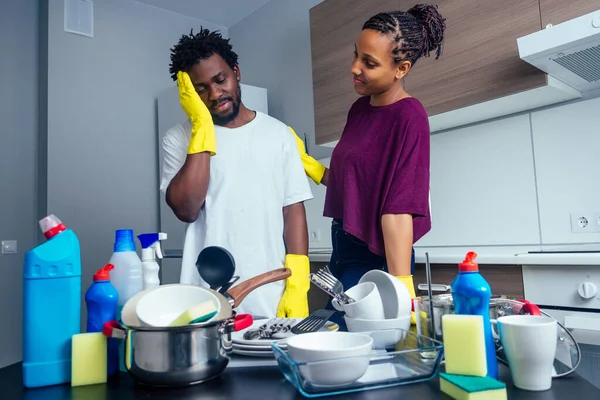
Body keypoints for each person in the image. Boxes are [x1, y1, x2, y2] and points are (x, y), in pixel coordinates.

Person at [291, 4, 446, 321]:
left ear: (401, 69)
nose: (354, 68)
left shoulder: (409, 116)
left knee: (348, 337)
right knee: (335, 334)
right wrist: (311, 166)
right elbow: (357, 183)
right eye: (355, 55)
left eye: (369, 63)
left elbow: (399, 208)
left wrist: (403, 290)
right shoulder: (359, 110)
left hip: (378, 255)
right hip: (344, 248)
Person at [160, 28, 314, 319]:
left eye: (221, 80)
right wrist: (202, 127)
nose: (215, 93)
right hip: (204, 296)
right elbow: (186, 209)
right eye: (201, 88)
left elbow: (292, 209)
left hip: (271, 291)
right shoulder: (178, 138)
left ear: (236, 72)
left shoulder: (278, 134)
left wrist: (297, 282)